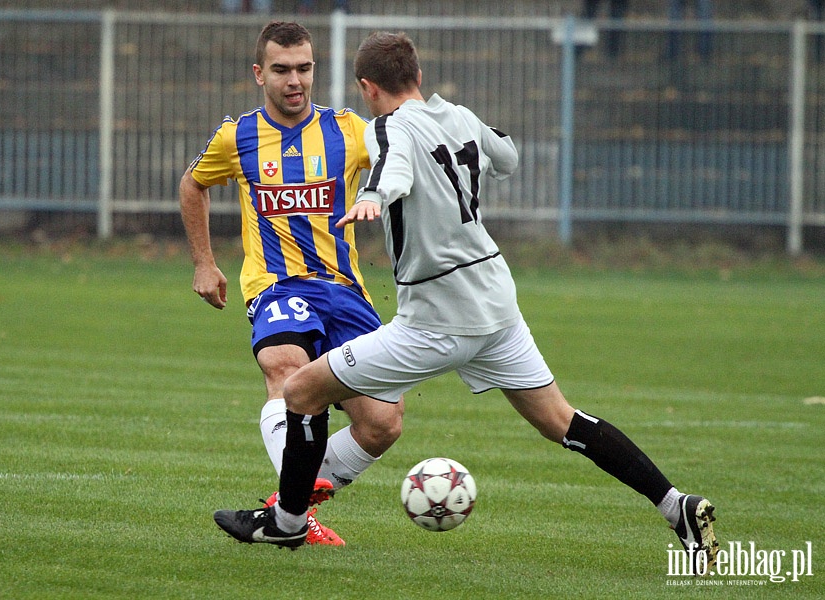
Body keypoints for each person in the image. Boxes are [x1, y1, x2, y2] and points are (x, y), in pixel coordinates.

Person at [213, 30, 720, 574]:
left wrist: (372, 198)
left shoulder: (386, 128)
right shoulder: (457, 116)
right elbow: (507, 156)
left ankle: (285, 524)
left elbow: (394, 170)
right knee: (561, 420)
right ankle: (676, 506)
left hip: (436, 318)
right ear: (419, 77)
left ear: (367, 87)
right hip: (496, 302)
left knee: (300, 389)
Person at [180, 21, 403, 547]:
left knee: (382, 424)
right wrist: (203, 263)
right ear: (259, 74)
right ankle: (297, 509)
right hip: (277, 285)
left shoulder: (349, 130)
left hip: (346, 292)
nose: (294, 80)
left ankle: (291, 506)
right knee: (285, 366)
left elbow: (404, 156)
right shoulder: (236, 137)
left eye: (304, 68)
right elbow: (193, 184)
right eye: (281, 69)